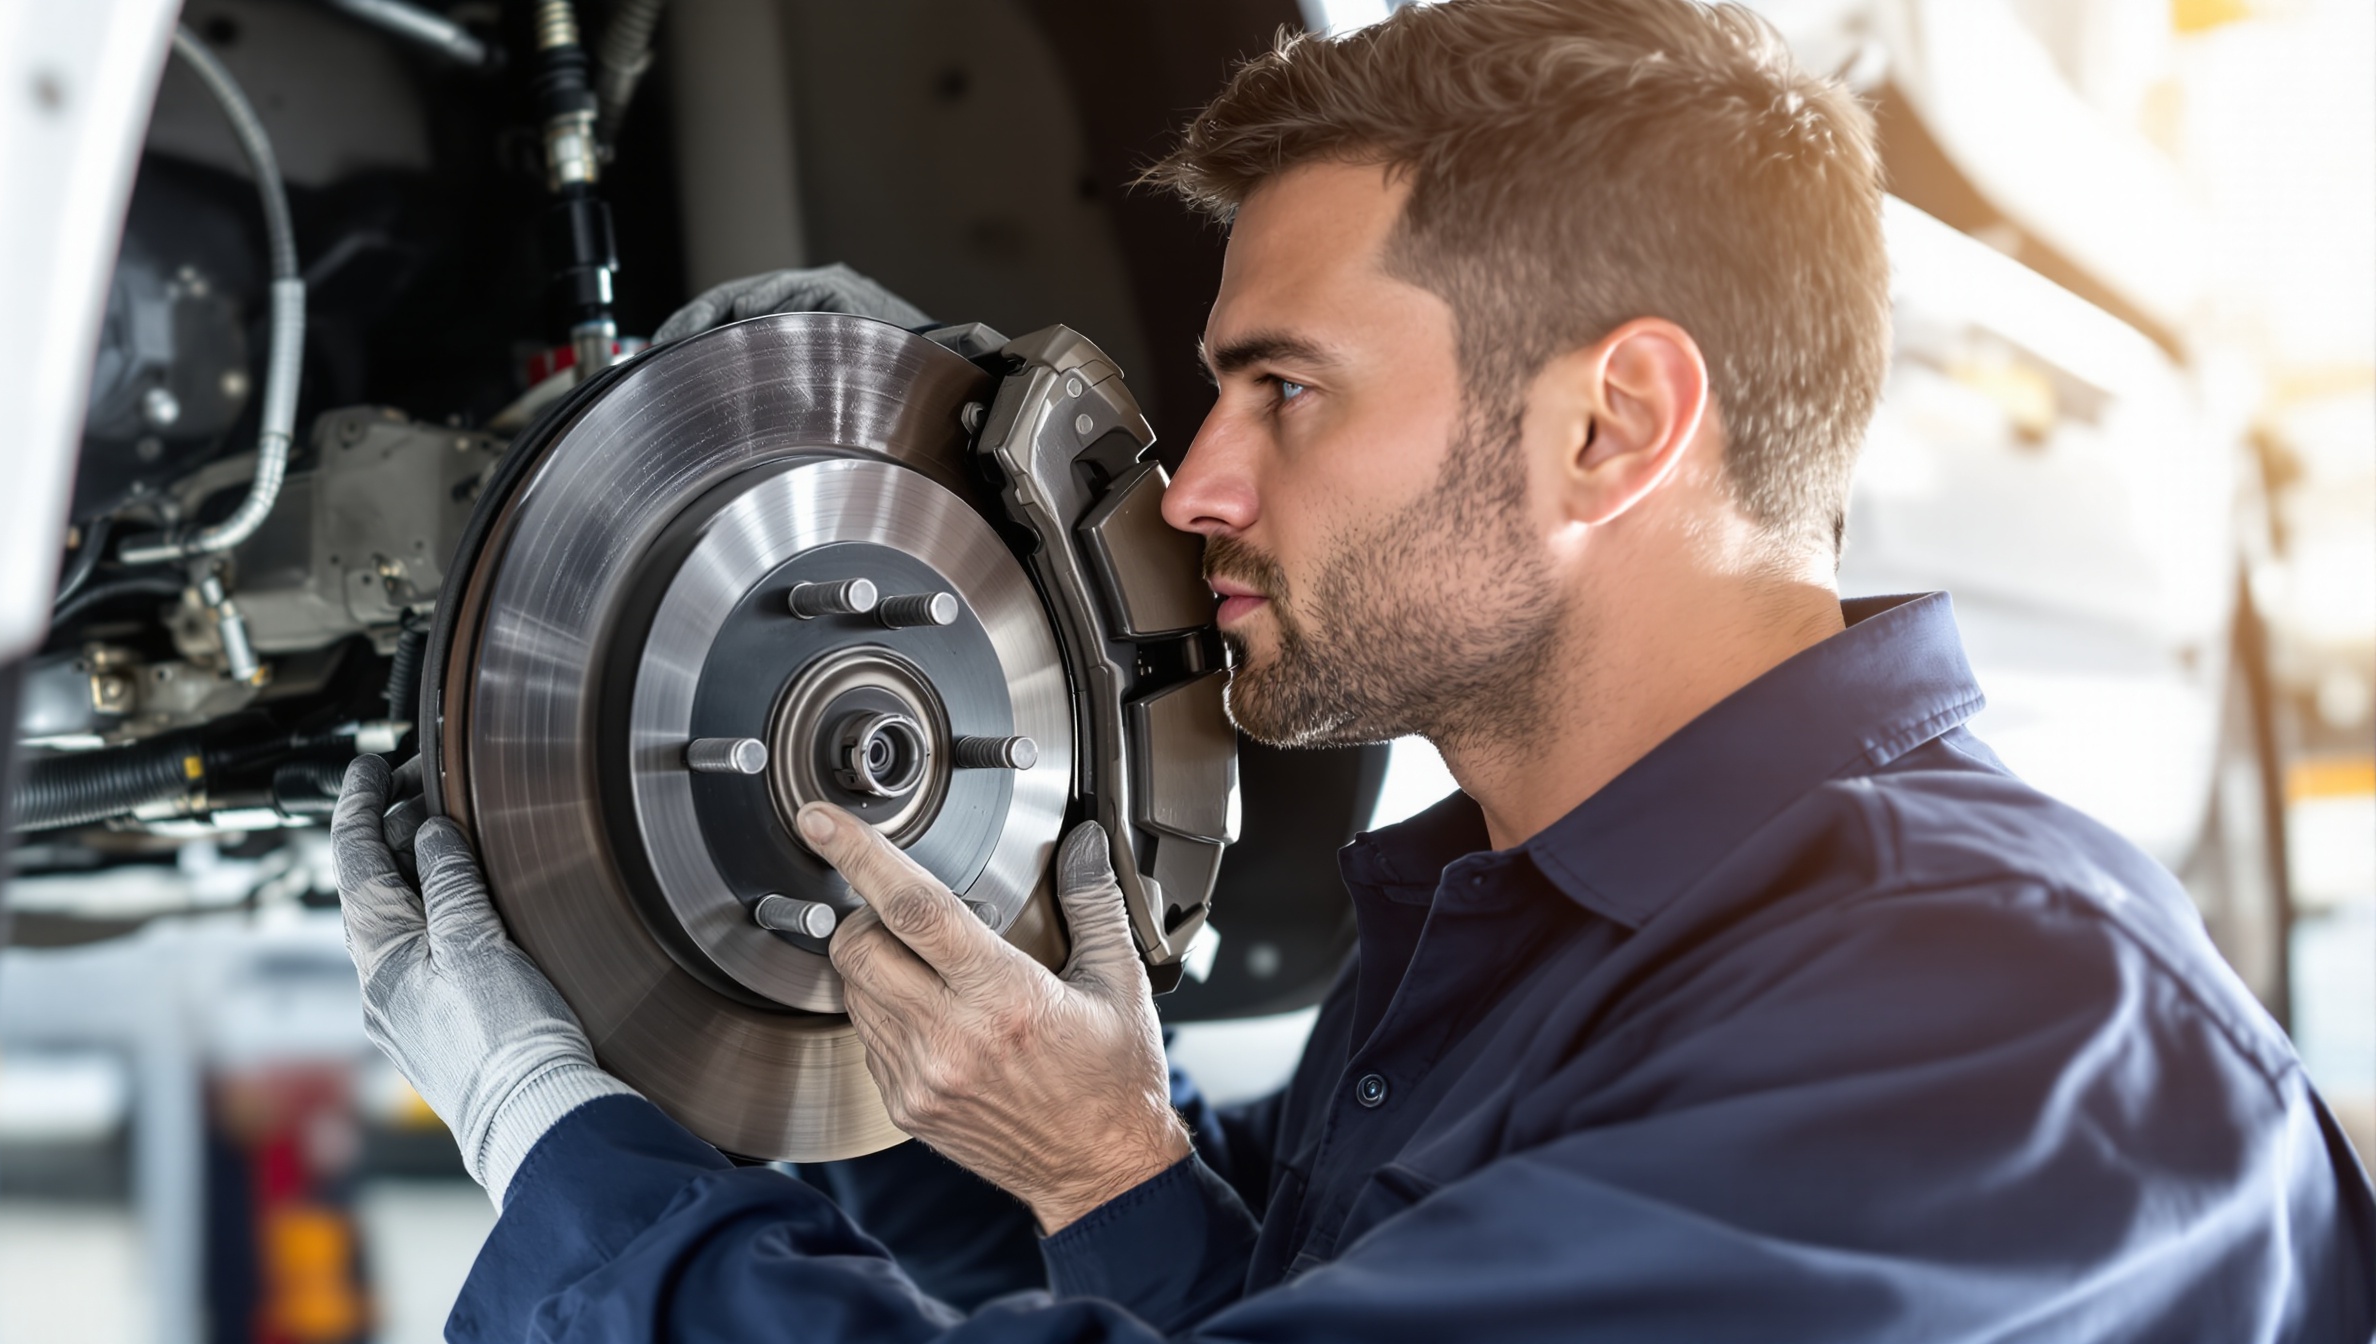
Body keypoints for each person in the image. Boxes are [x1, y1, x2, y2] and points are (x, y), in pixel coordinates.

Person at [331, 1, 2376, 1338]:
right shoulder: (1545, 942)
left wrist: (566, 1158)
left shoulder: (1996, 1027)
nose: (1193, 485)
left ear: (1613, 428)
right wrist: (987, 1126)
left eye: (1284, 390)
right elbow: (1265, 1291)